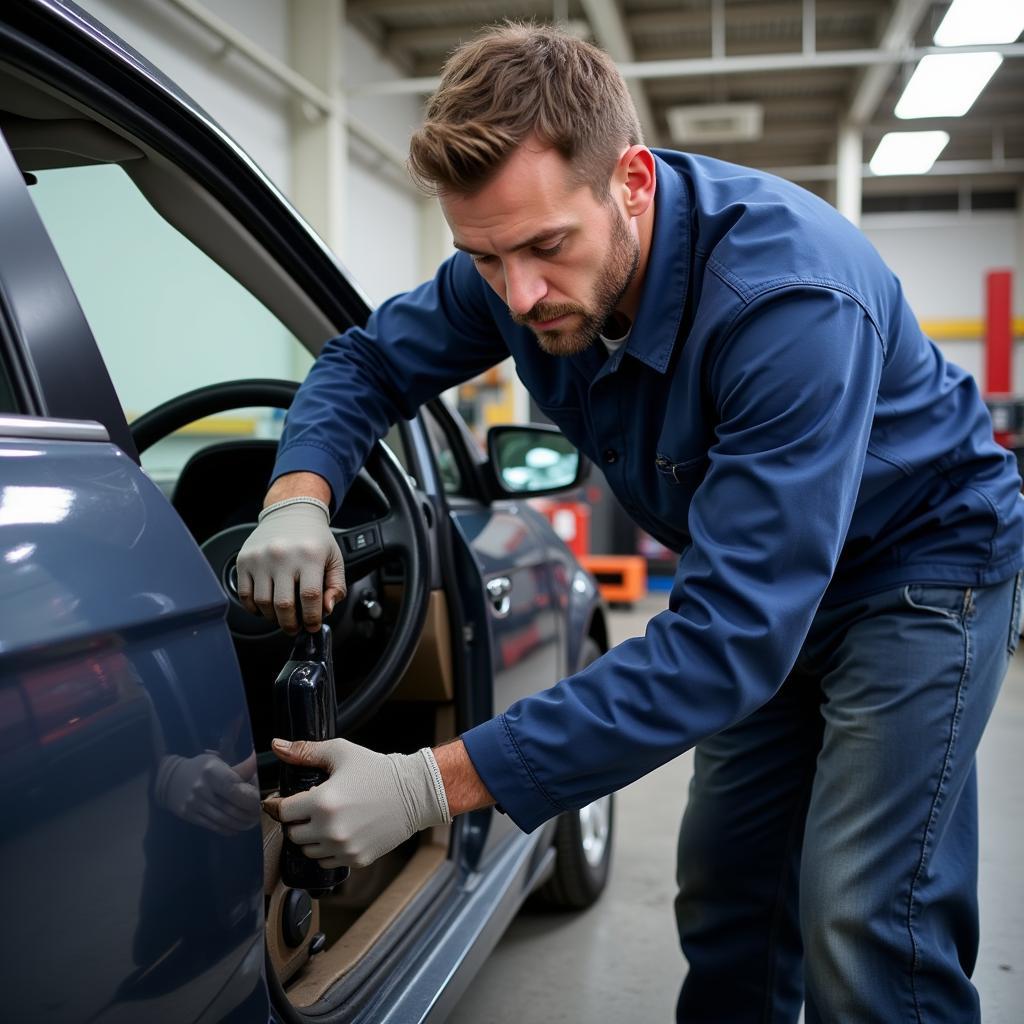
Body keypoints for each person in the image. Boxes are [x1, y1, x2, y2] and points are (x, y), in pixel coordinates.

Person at [246, 23, 1023, 1023]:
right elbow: (366, 362)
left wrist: (425, 785)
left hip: (916, 569)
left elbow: (728, 643)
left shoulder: (785, 304)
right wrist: (298, 493)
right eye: (483, 259)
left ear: (634, 183)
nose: (518, 295)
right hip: (766, 580)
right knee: (728, 893)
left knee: (864, 918)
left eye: (543, 248)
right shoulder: (513, 264)